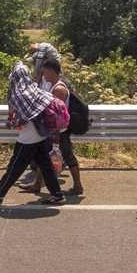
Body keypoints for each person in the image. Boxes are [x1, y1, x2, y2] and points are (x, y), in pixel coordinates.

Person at [0, 61, 66, 205]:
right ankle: (58, 195)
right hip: (40, 132)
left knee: (15, 166)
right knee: (45, 165)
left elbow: (22, 120)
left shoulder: (19, 94)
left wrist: (11, 124)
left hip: (30, 136)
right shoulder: (32, 89)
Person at [18, 59, 85, 195]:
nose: (44, 76)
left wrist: (55, 133)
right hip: (54, 131)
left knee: (68, 157)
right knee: (44, 156)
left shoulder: (59, 89)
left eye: (45, 73)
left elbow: (57, 114)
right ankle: (37, 184)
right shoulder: (53, 86)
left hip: (59, 132)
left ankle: (78, 186)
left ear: (51, 71)